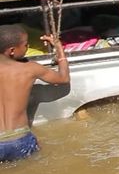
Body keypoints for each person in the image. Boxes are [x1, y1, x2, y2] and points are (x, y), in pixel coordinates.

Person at [0, 24, 70, 163]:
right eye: (26, 45)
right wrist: (59, 50)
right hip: (19, 139)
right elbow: (63, 79)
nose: (27, 48)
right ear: (12, 50)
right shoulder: (30, 69)